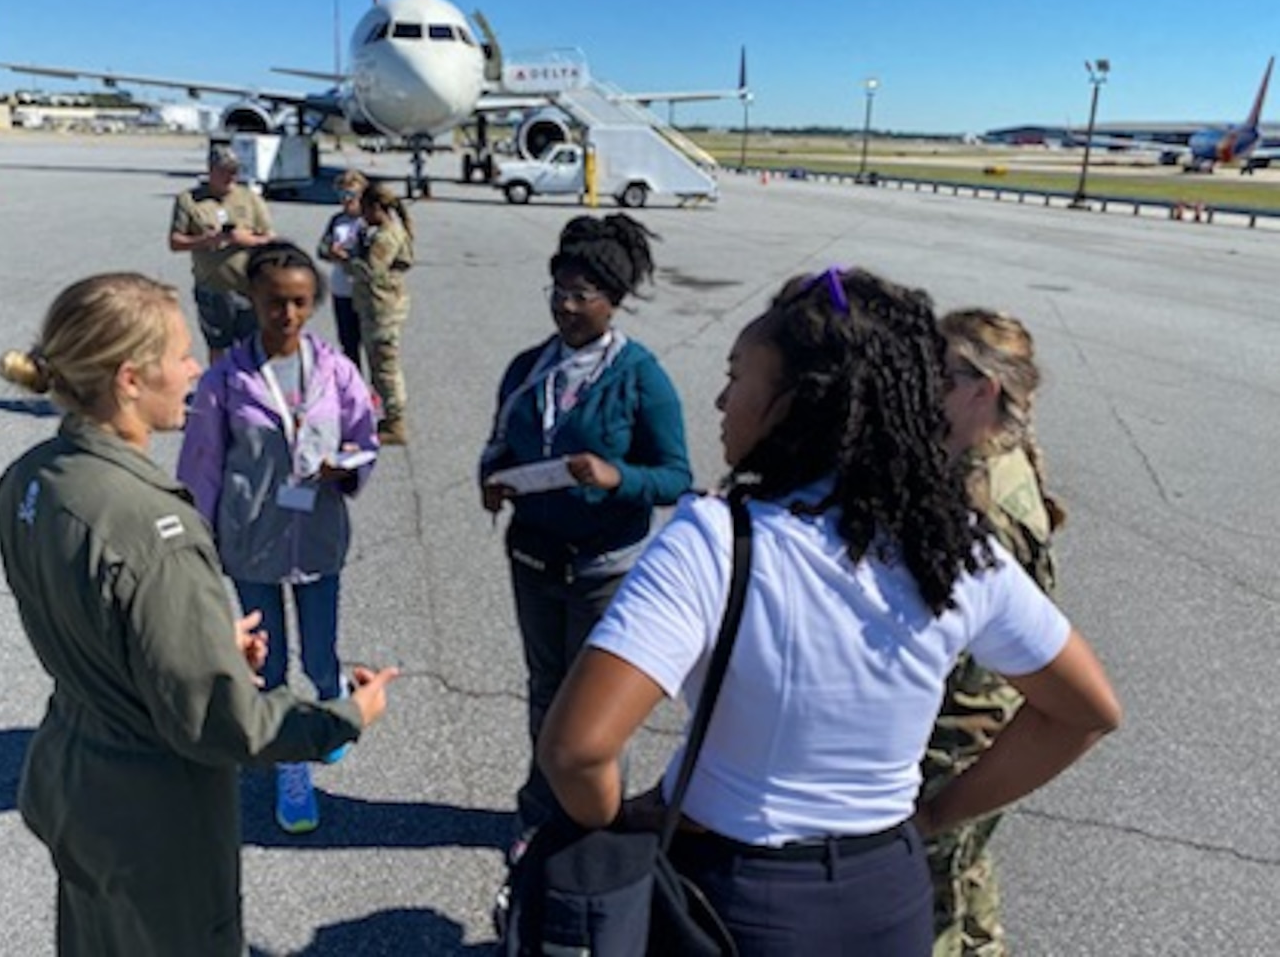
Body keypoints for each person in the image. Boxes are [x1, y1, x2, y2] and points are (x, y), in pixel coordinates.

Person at [537, 268, 1120, 957]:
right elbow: (1086, 711)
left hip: (735, 898)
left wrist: (619, 816)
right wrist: (936, 812)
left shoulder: (717, 537)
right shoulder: (954, 546)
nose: (722, 399)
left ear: (797, 403)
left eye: (737, 376)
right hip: (888, 895)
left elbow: (577, 749)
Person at [0, 272, 397, 956]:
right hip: (153, 811)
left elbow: (91, 622)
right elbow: (221, 719)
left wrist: (196, 641)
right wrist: (345, 717)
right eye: (180, 355)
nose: (195, 367)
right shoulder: (150, 525)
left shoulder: (31, 476)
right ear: (128, 378)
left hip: (72, 774)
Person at [479, 213, 692, 843]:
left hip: (605, 569)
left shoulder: (641, 377)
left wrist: (614, 476)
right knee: (546, 691)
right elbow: (499, 445)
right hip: (535, 561)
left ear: (613, 301)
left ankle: (593, 827)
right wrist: (493, 479)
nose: (566, 308)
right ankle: (543, 809)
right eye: (558, 293)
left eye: (581, 296)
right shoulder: (526, 369)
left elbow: (676, 477)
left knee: (594, 713)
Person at [178, 241, 380, 835]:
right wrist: (199, 539)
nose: (286, 315)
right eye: (273, 303)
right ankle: (291, 764)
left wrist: (349, 469)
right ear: (252, 300)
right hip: (251, 542)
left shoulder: (338, 371)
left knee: (321, 658)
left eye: (298, 302)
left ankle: (327, 705)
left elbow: (363, 437)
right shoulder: (226, 379)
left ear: (313, 304)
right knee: (271, 666)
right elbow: (202, 462)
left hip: (316, 539)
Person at [923, 308, 1067, 957]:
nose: (926, 384)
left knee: (932, 910)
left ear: (983, 388)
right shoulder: (997, 459)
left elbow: (977, 665)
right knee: (966, 880)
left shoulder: (981, 494)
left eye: (940, 373)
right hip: (982, 728)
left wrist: (940, 790)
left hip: (958, 741)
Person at [168, 145, 275, 362]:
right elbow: (175, 242)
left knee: (252, 347)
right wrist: (206, 240)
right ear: (211, 170)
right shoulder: (189, 200)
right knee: (218, 347)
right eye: (225, 170)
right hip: (212, 288)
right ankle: (221, 391)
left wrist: (247, 240)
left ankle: (248, 391)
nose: (231, 176)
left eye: (235, 170)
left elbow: (271, 239)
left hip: (247, 288)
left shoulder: (250, 198)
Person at [350, 181, 414, 444]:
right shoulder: (390, 230)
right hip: (382, 307)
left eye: (365, 209)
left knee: (385, 367)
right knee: (382, 365)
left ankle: (396, 423)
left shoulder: (386, 235)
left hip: (380, 311)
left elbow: (370, 270)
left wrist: (346, 259)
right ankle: (390, 417)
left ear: (376, 207)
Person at [316, 168, 369, 372]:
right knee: (349, 343)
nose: (346, 200)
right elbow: (321, 248)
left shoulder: (368, 221)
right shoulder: (337, 220)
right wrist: (331, 252)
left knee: (371, 344)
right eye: (342, 195)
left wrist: (353, 255)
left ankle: (374, 392)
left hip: (365, 289)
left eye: (351, 195)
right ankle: (353, 386)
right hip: (342, 289)